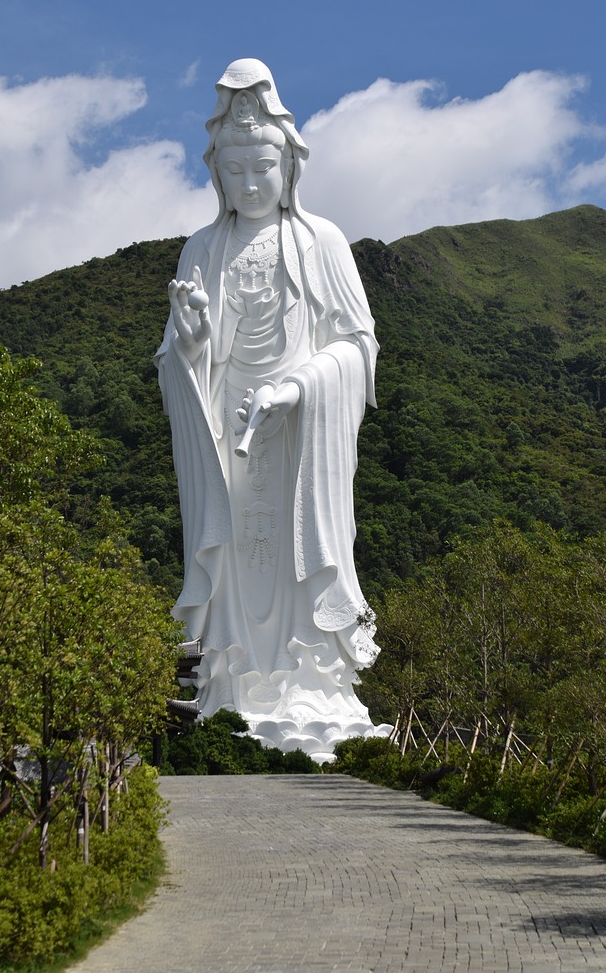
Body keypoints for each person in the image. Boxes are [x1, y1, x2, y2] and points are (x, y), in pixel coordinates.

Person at [155, 59, 386, 760]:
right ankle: (230, 694)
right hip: (227, 430)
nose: (250, 184)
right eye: (236, 172)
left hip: (299, 435)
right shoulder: (202, 246)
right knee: (236, 555)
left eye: (262, 168)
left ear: (287, 166)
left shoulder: (321, 240)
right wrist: (190, 336)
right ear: (215, 174)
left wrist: (300, 386)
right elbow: (177, 358)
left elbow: (357, 345)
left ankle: (311, 690)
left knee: (296, 557)